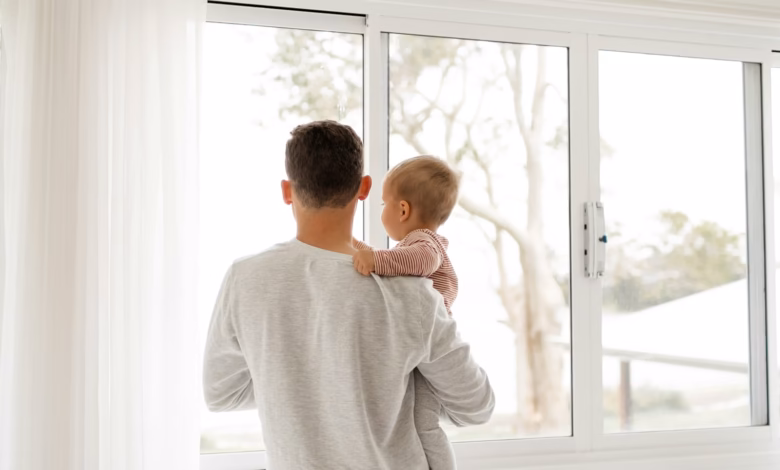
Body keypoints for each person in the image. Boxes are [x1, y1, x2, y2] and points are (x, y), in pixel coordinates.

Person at [202, 120, 494, 470]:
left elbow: (221, 393)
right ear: (364, 188)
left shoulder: (245, 279)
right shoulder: (411, 292)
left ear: (286, 191)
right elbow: (477, 406)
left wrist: (294, 379)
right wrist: (377, 386)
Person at [351, 155, 461, 470]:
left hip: (431, 346)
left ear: (402, 210)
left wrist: (376, 261)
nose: (381, 210)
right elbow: (380, 258)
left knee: (425, 423)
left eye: (383, 204)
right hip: (417, 346)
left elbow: (418, 262)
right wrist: (348, 244)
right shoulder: (409, 247)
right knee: (413, 420)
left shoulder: (425, 244)